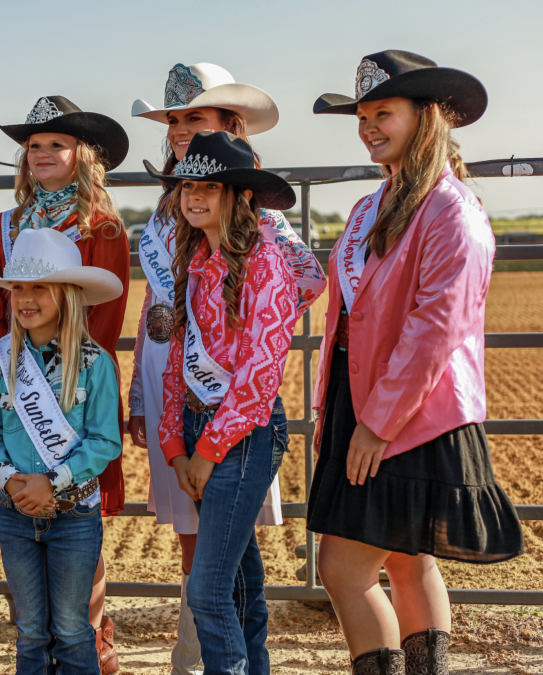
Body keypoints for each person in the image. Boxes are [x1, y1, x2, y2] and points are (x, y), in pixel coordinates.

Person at [307, 50, 524, 675]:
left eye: (384, 113)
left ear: (425, 117)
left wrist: (377, 421)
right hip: (368, 401)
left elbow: (438, 326)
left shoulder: (452, 210)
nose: (369, 126)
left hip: (407, 412)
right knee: (406, 560)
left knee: (343, 569)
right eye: (363, 116)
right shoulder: (372, 205)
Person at [128, 63, 327, 675]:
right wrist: (143, 390)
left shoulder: (259, 222)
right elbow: (158, 312)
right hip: (178, 387)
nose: (181, 130)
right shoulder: (170, 214)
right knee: (219, 558)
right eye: (175, 121)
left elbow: (309, 280)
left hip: (232, 403)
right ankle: (207, 657)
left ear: (229, 124)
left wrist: (242, 318)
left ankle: (202, 658)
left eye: (196, 118)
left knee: (217, 559)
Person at [0, 95, 131, 672]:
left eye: (56, 144)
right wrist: (15, 365)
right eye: (33, 145)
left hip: (75, 389)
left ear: (82, 155)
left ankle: (90, 635)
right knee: (25, 514)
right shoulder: (6, 224)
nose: (42, 153)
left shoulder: (104, 225)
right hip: (17, 384)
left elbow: (106, 319)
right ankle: (43, 639)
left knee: (78, 521)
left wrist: (65, 371)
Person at [151, 130, 299, 675]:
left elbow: (260, 375)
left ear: (238, 195)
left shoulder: (266, 265)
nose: (193, 196)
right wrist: (174, 444)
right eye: (187, 184)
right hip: (196, 432)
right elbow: (174, 361)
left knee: (210, 590)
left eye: (208, 186)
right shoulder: (193, 261)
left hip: (238, 435)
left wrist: (207, 450)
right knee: (239, 584)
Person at [0, 228, 125, 675]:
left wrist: (51, 482)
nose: (24, 298)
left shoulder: (95, 364)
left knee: (74, 627)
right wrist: (11, 480)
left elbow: (104, 442)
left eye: (39, 286)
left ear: (69, 294)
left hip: (74, 515)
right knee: (32, 629)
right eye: (17, 287)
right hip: (16, 510)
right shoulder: (2, 362)